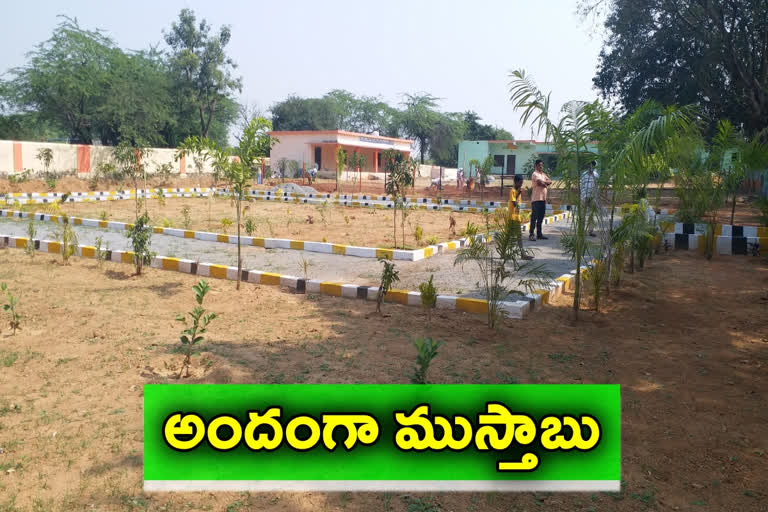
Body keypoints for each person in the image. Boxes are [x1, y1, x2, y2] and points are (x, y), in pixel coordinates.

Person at [509, 174, 534, 260]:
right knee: (516, 236)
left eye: (522, 183)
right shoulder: (513, 191)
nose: (521, 185)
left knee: (514, 236)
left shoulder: (518, 192)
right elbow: (514, 204)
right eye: (520, 183)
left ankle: (521, 254)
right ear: (515, 182)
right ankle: (522, 254)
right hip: (513, 217)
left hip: (517, 217)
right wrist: (518, 194)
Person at [529, 160, 552, 241]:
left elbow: (550, 181)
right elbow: (539, 183)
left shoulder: (543, 174)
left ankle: (539, 234)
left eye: (542, 165)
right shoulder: (535, 174)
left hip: (543, 199)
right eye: (539, 165)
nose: (541, 167)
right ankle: (531, 234)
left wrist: (544, 182)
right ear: (536, 165)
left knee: (541, 217)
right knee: (534, 217)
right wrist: (545, 183)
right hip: (536, 199)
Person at [581, 161, 599, 237]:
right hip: (584, 197)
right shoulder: (584, 174)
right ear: (588, 165)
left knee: (591, 215)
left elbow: (597, 186)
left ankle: (590, 231)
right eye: (590, 164)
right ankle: (581, 231)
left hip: (592, 197)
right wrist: (582, 195)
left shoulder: (596, 175)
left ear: (594, 166)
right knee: (582, 215)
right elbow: (581, 185)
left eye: (593, 165)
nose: (591, 166)